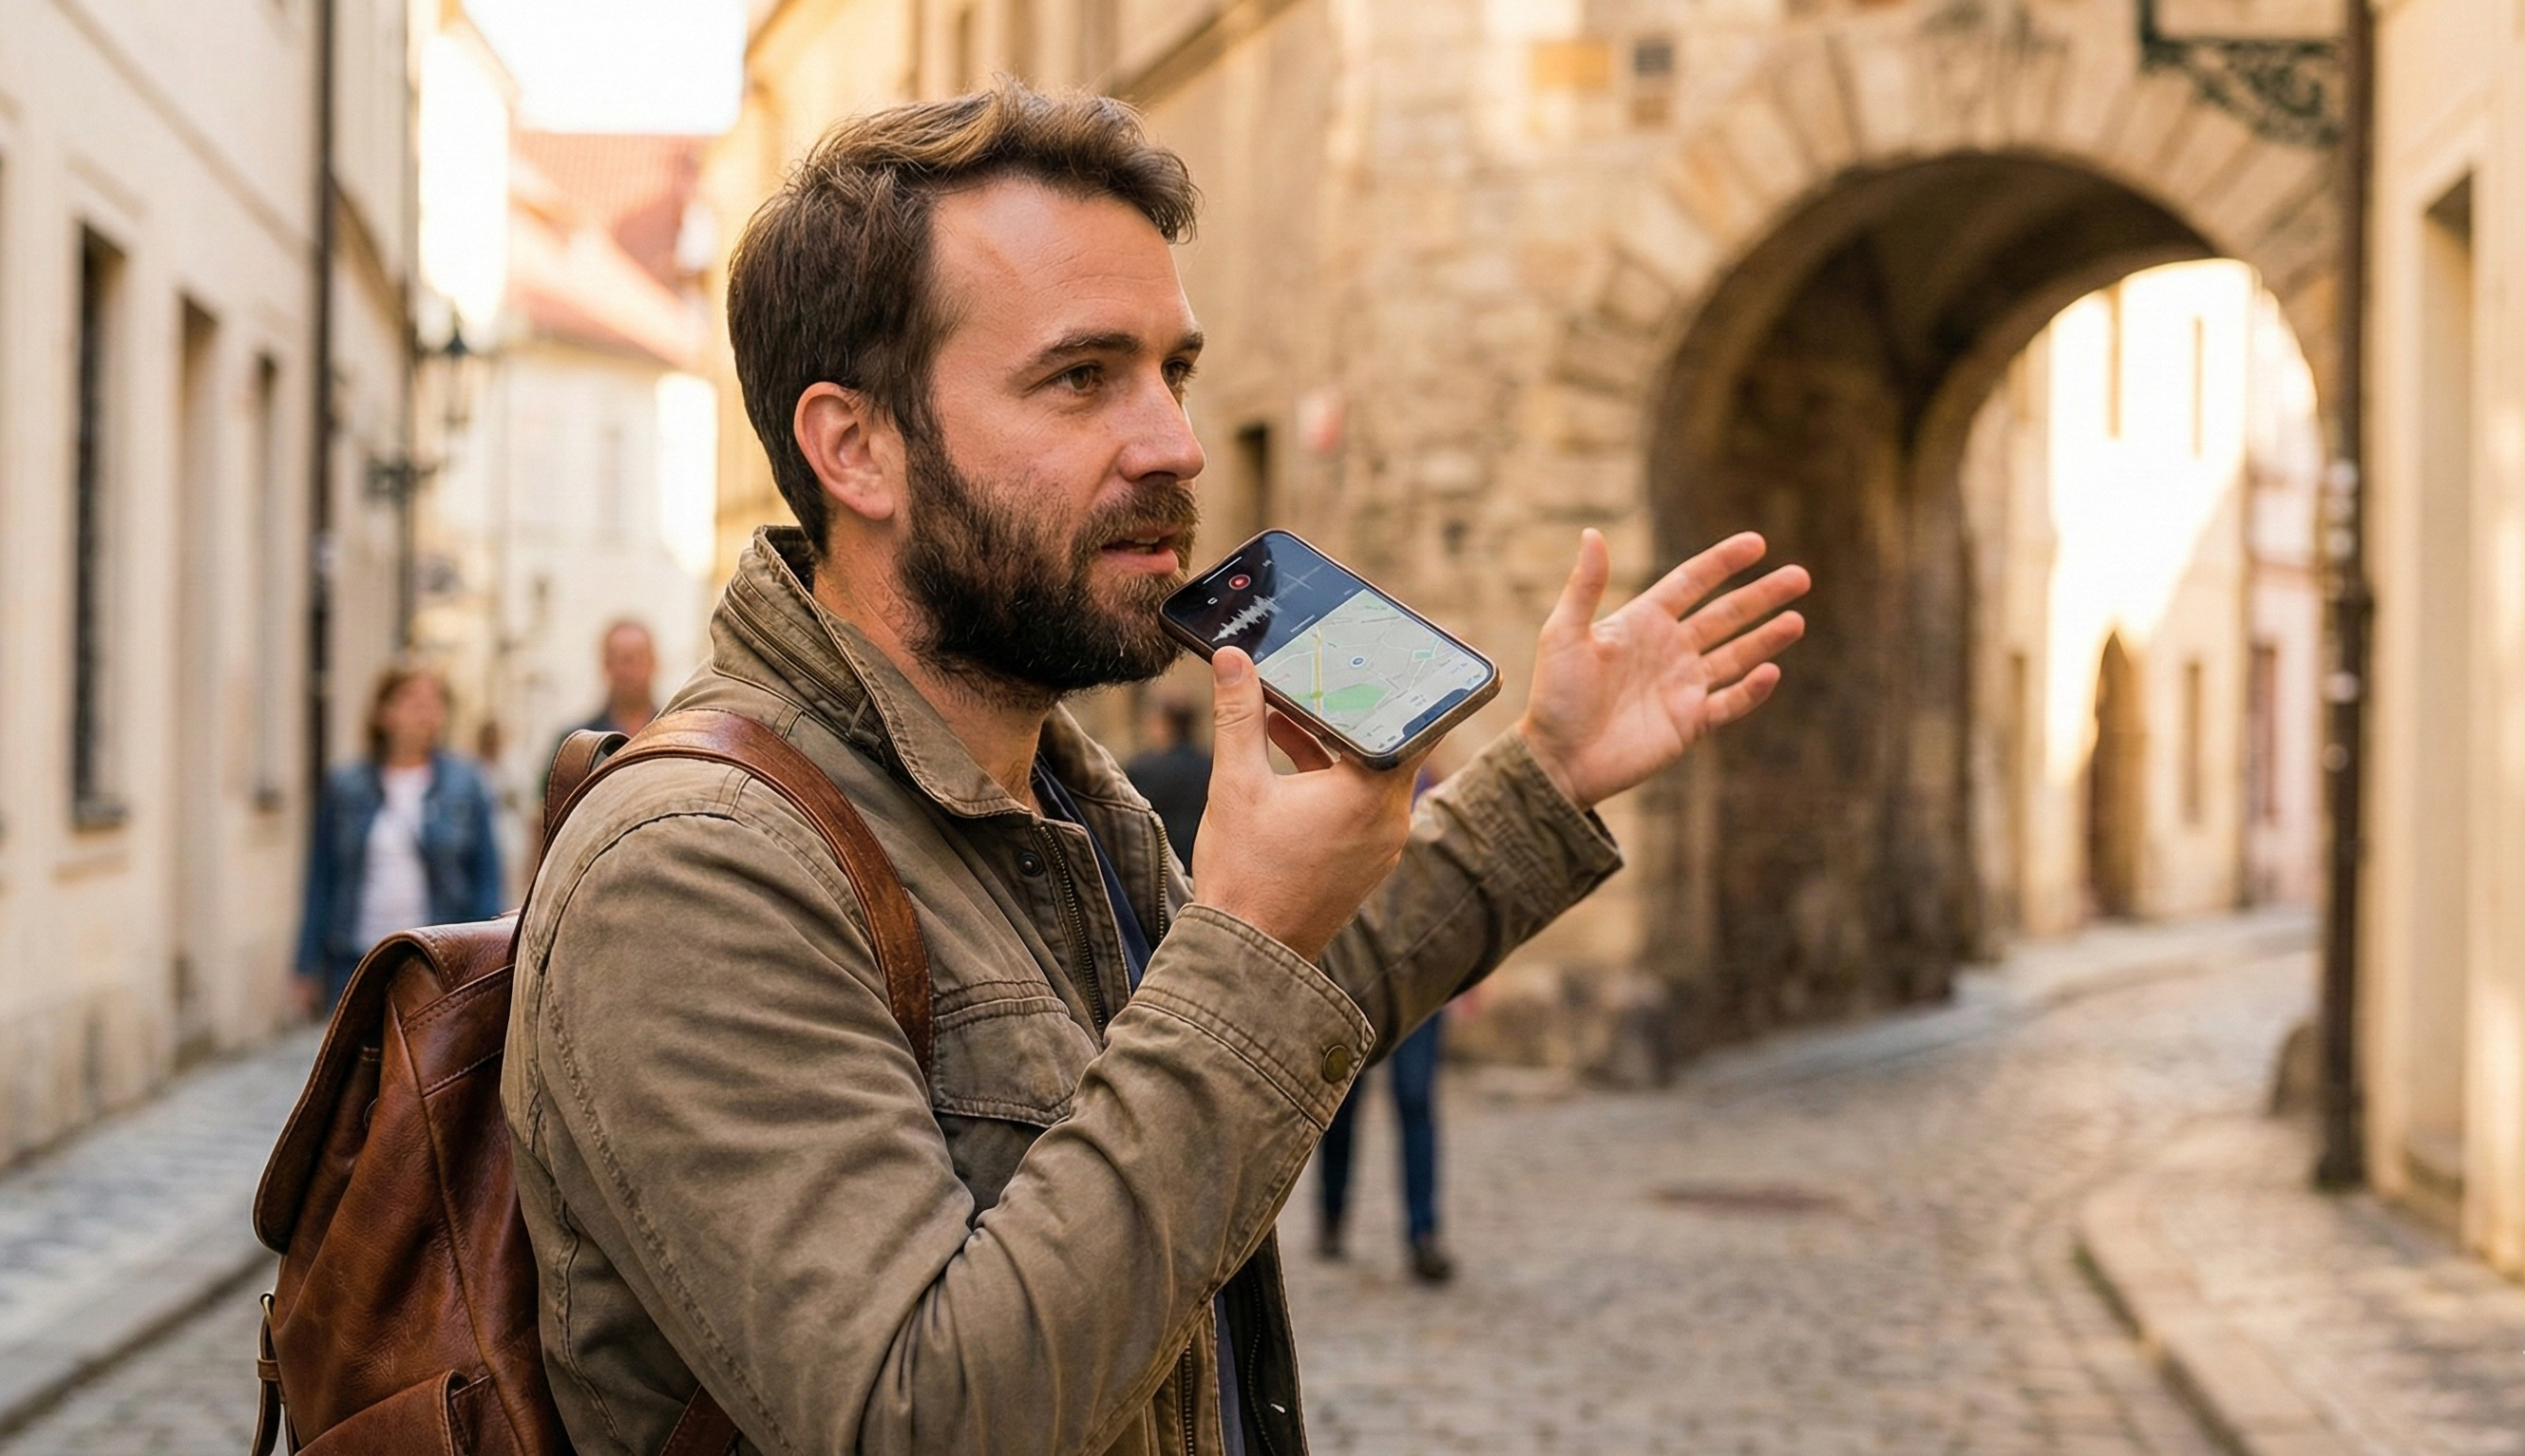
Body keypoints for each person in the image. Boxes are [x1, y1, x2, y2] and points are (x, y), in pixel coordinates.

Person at [503, 82, 1808, 1456]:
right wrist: (1244, 935)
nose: (1175, 445)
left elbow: (1235, 1042)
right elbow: (924, 1416)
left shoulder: (1050, 787)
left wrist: (1542, 779)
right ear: (856, 448)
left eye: (1172, 372)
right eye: (1082, 377)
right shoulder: (698, 866)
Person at [294, 663, 503, 1013]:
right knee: (360, 1066)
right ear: (383, 712)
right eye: (411, 699)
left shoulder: (465, 784)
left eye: (434, 700)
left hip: (435, 961)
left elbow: (486, 876)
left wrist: (485, 962)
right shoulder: (346, 786)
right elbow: (322, 877)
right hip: (357, 959)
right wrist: (305, 963)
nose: (425, 709)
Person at [1317, 765, 1455, 1283]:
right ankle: (1332, 1214)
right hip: (1351, 977)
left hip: (1422, 976)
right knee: (1341, 1107)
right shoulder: (1342, 787)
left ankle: (1423, 1233)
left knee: (1416, 1100)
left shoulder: (1439, 794)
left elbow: (1454, 891)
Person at [1123, 691, 1209, 862]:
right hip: (1203, 857)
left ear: (1165, 725)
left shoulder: (1144, 770)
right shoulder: (1210, 765)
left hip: (1164, 860)